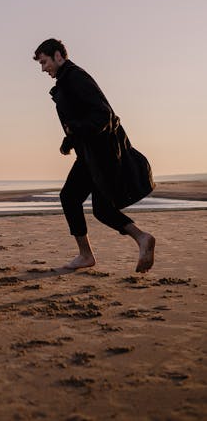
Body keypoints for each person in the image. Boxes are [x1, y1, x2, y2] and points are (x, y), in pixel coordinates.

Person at [33, 38, 155, 273]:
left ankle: (97, 252)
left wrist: (75, 130)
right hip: (92, 153)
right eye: (40, 64)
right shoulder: (67, 79)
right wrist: (69, 140)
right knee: (84, 202)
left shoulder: (75, 77)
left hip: (102, 153)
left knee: (75, 198)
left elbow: (103, 114)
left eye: (45, 61)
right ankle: (131, 241)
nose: (43, 68)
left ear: (59, 56)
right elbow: (83, 116)